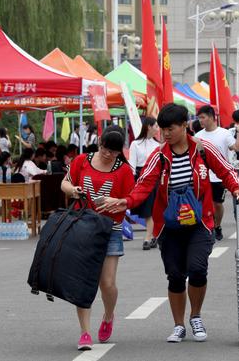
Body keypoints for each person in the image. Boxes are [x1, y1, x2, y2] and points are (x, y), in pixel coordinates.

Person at [100, 103, 239, 344]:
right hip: (169, 225)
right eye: (162, 129)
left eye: (171, 128)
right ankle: (178, 325)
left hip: (200, 222)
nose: (165, 134)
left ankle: (195, 316)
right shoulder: (159, 156)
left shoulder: (202, 149)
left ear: (184, 126)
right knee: (175, 275)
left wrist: (237, 189)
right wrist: (125, 202)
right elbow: (144, 184)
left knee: (198, 269)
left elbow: (227, 170)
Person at [60, 125, 136, 351]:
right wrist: (73, 190)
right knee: (83, 281)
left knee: (107, 283)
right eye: (104, 148)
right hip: (82, 226)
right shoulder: (82, 160)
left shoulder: (123, 170)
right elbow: (64, 183)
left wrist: (117, 202)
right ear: (99, 143)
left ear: (119, 151)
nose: (107, 154)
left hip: (110, 228)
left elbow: (130, 198)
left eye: (113, 151)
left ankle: (109, 315)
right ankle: (85, 332)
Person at [195, 105, 239, 241]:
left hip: (219, 176)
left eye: (203, 117)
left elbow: (237, 148)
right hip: (203, 175)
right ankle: (207, 227)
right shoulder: (198, 136)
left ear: (211, 117)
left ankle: (217, 225)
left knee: (217, 204)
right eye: (199, 118)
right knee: (203, 204)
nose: (201, 121)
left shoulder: (224, 133)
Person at [128, 117, 161, 250]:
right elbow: (132, 164)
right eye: (156, 126)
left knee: (154, 209)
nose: (158, 129)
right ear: (149, 127)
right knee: (147, 209)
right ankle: (152, 236)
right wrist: (133, 182)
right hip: (141, 178)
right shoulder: (135, 144)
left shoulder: (158, 145)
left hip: (156, 178)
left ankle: (149, 237)